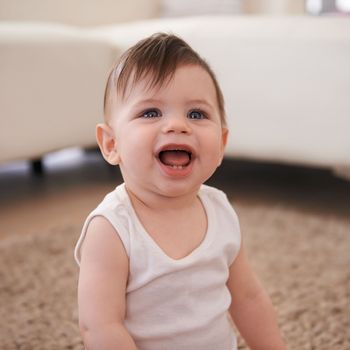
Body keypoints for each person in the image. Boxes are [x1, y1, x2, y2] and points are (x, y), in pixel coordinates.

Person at [74, 33, 287, 350]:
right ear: (111, 144)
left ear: (221, 146)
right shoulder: (111, 228)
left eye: (197, 114)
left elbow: (248, 297)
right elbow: (100, 326)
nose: (177, 125)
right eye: (150, 113)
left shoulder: (220, 210)